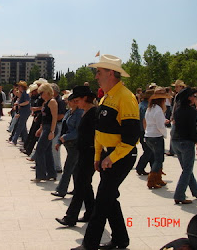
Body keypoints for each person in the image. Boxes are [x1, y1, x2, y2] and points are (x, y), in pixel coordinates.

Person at [72, 54, 140, 250]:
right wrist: (98, 156)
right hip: (107, 156)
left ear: (111, 73)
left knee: (102, 200)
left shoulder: (126, 98)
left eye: (99, 72)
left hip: (121, 156)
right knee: (109, 198)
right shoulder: (105, 98)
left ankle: (89, 244)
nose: (96, 76)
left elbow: (130, 138)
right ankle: (121, 239)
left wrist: (111, 157)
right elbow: (99, 132)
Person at [55, 86, 96, 226]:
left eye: (77, 100)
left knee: (80, 186)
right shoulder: (84, 112)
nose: (76, 103)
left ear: (85, 99)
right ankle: (90, 212)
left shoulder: (93, 113)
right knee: (85, 185)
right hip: (83, 152)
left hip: (89, 154)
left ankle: (71, 217)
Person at [171, 87, 197, 204]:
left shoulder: (178, 110)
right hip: (186, 142)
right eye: (194, 96)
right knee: (187, 170)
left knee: (187, 169)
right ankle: (179, 195)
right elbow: (192, 130)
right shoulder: (191, 111)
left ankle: (196, 190)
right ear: (189, 98)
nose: (195, 98)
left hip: (176, 141)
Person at [51, 93, 83, 198]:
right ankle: (78, 189)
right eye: (73, 101)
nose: (75, 103)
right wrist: (59, 142)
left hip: (75, 144)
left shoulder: (79, 113)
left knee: (68, 167)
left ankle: (61, 190)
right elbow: (64, 127)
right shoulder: (69, 112)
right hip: (68, 144)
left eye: (76, 101)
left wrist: (65, 137)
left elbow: (78, 131)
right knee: (75, 168)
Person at [31, 83, 58, 183]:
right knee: (47, 151)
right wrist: (40, 129)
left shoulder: (52, 102)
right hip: (45, 127)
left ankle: (41, 174)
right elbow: (44, 118)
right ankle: (51, 173)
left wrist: (52, 131)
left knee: (39, 150)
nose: (40, 95)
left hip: (49, 128)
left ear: (47, 92)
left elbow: (54, 118)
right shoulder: (46, 102)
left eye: (42, 93)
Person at [144, 87, 170, 189]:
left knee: (156, 158)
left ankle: (158, 178)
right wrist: (164, 133)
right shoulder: (158, 110)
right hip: (156, 136)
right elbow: (160, 126)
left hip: (149, 135)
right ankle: (151, 180)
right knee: (159, 159)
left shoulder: (150, 108)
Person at [135, 89, 154, 176]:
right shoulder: (146, 107)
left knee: (150, 151)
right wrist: (147, 133)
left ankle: (154, 169)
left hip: (140, 130)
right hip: (144, 131)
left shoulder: (140, 105)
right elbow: (144, 121)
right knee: (148, 150)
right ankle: (140, 168)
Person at [51, 83, 67, 173]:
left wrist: (52, 119)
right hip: (55, 124)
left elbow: (61, 115)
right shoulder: (54, 100)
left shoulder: (60, 101)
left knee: (55, 146)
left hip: (58, 125)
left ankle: (57, 167)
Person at [10, 81, 31, 145]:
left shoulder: (25, 94)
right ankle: (26, 141)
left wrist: (20, 104)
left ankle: (14, 140)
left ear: (22, 87)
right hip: (22, 111)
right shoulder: (23, 93)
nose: (18, 87)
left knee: (20, 126)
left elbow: (27, 102)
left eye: (19, 86)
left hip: (25, 111)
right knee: (23, 127)